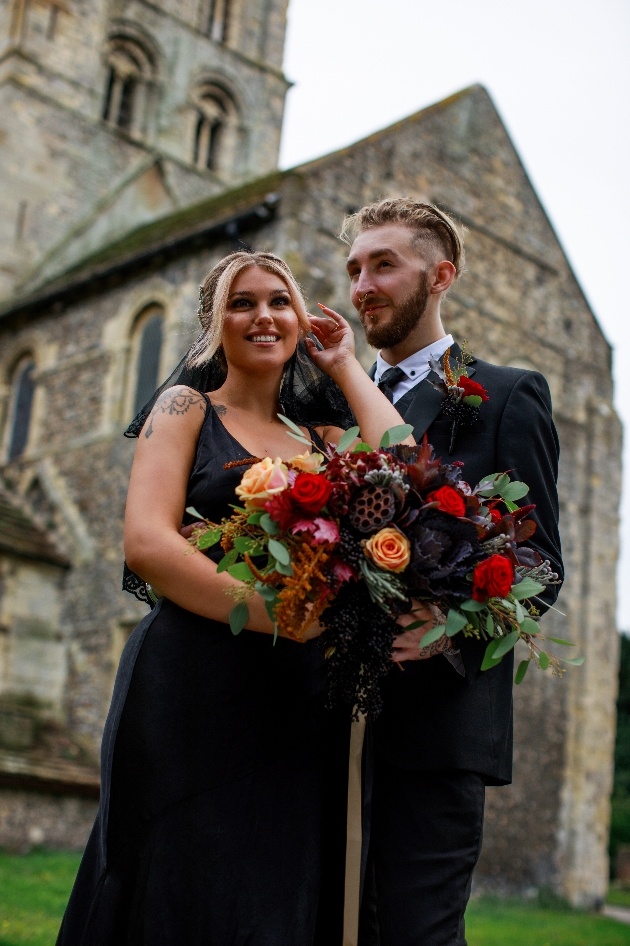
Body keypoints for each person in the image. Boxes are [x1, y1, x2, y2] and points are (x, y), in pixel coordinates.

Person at [56, 250, 413, 946]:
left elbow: (402, 470)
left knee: (273, 889)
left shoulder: (325, 438)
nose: (263, 316)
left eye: (280, 301)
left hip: (298, 698)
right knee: (178, 876)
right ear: (216, 324)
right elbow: (148, 544)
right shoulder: (185, 407)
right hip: (193, 680)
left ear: (301, 317)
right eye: (242, 303)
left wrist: (343, 363)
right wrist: (272, 614)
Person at [339, 199, 564, 946]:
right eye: (354, 269)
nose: (362, 284)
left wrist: (452, 626)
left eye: (383, 265)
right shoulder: (320, 398)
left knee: (412, 933)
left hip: (435, 727)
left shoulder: (504, 395)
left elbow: (539, 563)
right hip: (312, 718)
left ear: (440, 276)